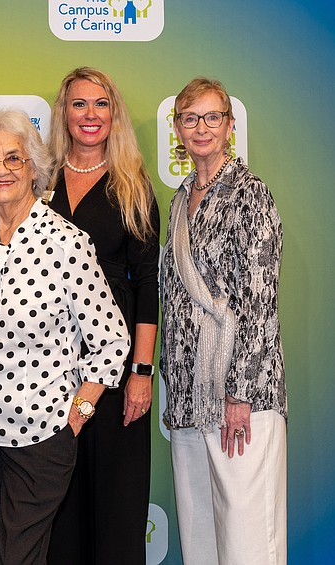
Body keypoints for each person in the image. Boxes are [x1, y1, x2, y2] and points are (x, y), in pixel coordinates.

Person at [0, 109, 130, 565]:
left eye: (13, 158)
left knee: (18, 558)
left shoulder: (67, 243)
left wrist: (76, 418)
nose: (1, 170)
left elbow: (112, 340)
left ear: (33, 168)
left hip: (40, 438)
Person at [161, 77, 287, 565]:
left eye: (212, 117)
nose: (202, 128)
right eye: (190, 118)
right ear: (177, 128)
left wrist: (239, 393)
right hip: (190, 395)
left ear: (230, 126)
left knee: (246, 540)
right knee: (200, 541)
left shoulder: (251, 194)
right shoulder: (180, 198)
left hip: (241, 399)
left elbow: (260, 302)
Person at [45, 67, 159, 565]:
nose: (90, 115)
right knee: (58, 506)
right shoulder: (40, 180)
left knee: (116, 507)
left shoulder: (132, 185)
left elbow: (149, 283)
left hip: (114, 372)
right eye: (79, 104)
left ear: (114, 114)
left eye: (101, 104)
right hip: (48, 367)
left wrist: (141, 372)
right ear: (64, 113)